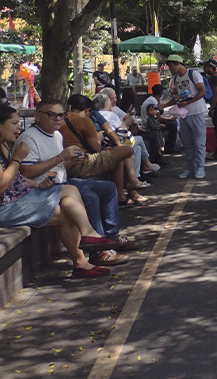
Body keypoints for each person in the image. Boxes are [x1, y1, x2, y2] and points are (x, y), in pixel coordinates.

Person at [16, 99, 136, 267]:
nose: (57, 119)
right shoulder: (29, 138)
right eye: (51, 114)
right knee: (89, 197)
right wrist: (60, 158)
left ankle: (111, 238)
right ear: (37, 116)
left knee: (108, 188)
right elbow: (26, 172)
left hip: (61, 181)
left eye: (61, 115)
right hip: (42, 189)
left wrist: (71, 161)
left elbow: (57, 166)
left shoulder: (57, 135)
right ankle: (98, 252)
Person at [1, 105, 115, 278]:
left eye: (61, 115)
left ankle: (81, 263)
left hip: (19, 198)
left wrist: (37, 185)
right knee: (70, 191)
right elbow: (2, 185)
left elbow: (16, 178)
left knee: (68, 210)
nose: (19, 126)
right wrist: (18, 158)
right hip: (7, 207)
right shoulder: (22, 143)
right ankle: (89, 235)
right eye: (14, 123)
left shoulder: (4, 145)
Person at [58, 97, 145, 205]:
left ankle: (124, 192)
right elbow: (97, 148)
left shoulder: (61, 120)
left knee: (118, 158)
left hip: (66, 161)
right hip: (82, 161)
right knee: (126, 151)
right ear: (87, 110)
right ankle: (126, 188)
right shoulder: (85, 121)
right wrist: (99, 137)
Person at [166, 54, 208, 179]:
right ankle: (190, 168)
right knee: (187, 143)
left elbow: (202, 92)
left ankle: (200, 167)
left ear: (178, 64)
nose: (170, 69)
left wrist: (188, 102)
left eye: (171, 66)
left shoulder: (193, 74)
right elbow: (175, 97)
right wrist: (165, 105)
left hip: (197, 112)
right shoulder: (174, 79)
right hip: (183, 114)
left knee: (199, 142)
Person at [141, 84, 178, 156]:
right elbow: (158, 117)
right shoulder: (153, 102)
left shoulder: (152, 99)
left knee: (171, 123)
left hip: (151, 120)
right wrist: (170, 119)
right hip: (150, 122)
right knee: (173, 124)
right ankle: (170, 147)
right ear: (161, 93)